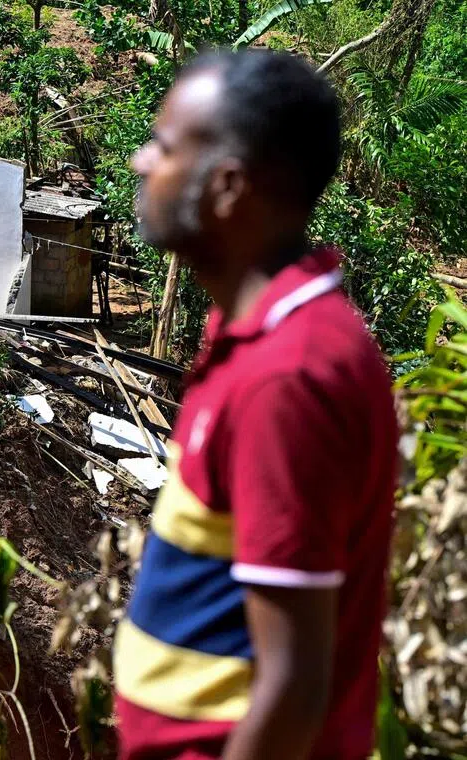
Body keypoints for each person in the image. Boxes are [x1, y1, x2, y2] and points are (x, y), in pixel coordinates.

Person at [111, 49, 398, 760]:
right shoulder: (248, 332)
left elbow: (294, 684)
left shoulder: (288, 376)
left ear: (229, 185)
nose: (143, 162)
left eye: (166, 146)